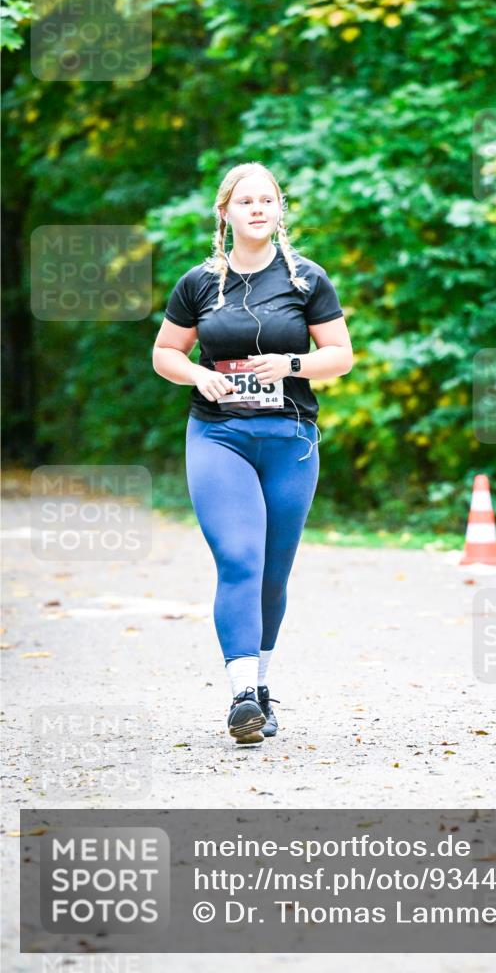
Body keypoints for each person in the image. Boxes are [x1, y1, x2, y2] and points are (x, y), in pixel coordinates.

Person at [152, 162, 353, 745]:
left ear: (279, 210)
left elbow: (339, 355)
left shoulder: (306, 280)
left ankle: (262, 689)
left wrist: (291, 364)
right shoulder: (198, 283)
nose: (258, 208)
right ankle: (240, 694)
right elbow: (166, 353)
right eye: (246, 201)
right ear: (226, 213)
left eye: (268, 199)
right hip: (219, 435)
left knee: (273, 571)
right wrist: (196, 375)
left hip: (290, 438)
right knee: (240, 556)